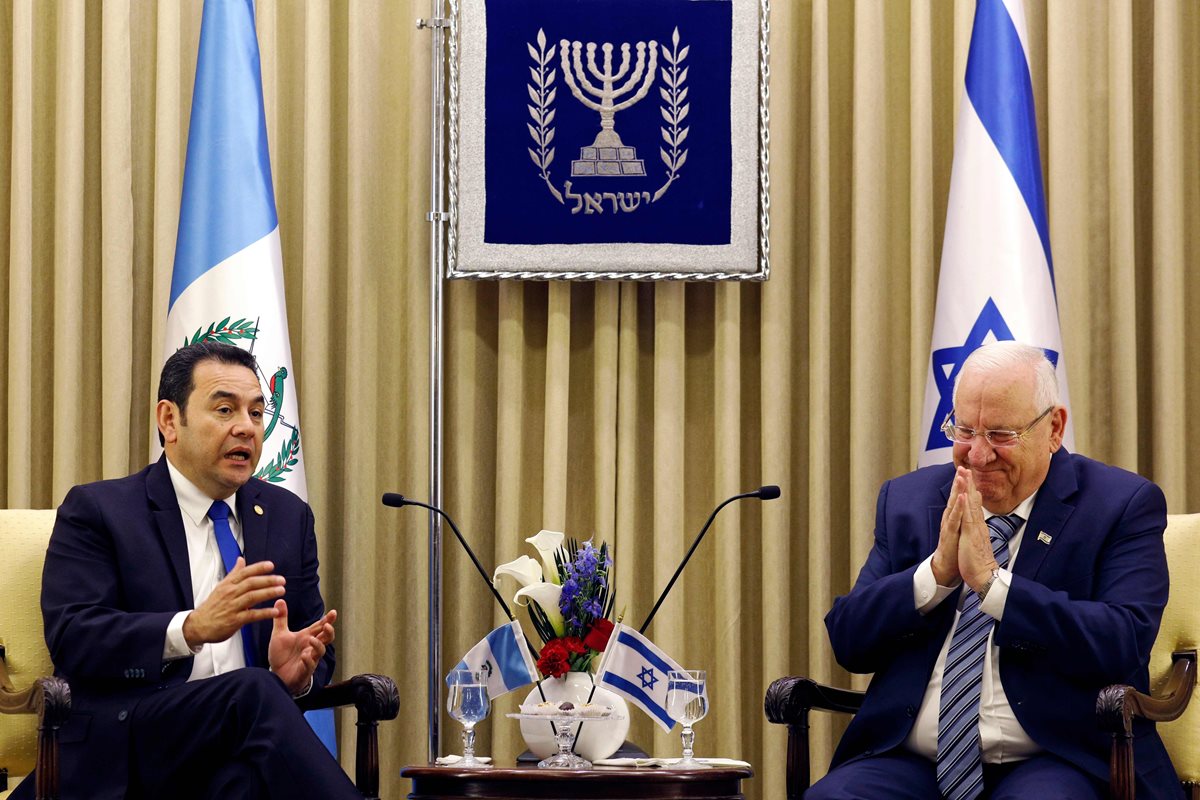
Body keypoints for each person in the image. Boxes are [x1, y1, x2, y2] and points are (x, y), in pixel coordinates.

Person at [809, 341, 1180, 799]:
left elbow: (1124, 641)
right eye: (964, 431)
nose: (977, 455)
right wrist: (936, 575)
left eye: (1001, 436)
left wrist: (993, 585)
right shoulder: (909, 500)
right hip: (909, 760)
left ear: (1054, 429)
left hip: (1056, 756)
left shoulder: (1119, 504)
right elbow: (849, 642)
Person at [13, 342, 360, 799]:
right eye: (224, 409)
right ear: (169, 420)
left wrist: (297, 674)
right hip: (130, 739)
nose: (246, 428)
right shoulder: (100, 509)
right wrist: (190, 629)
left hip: (235, 749)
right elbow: (75, 635)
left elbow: (311, 643)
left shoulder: (287, 516)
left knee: (244, 776)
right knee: (252, 694)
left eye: (257, 414)